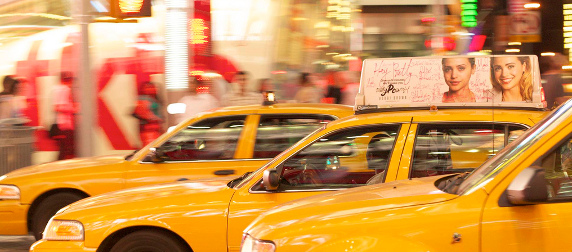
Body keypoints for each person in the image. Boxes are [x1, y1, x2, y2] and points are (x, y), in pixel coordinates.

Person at [52, 72, 78, 160]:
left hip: (61, 124)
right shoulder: (64, 89)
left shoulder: (56, 89)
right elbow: (58, 107)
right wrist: (73, 108)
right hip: (66, 124)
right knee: (68, 149)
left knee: (64, 149)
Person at [133, 81, 163, 146]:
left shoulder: (155, 99)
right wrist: (153, 118)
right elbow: (139, 114)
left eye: (152, 87)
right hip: (148, 129)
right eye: (148, 88)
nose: (151, 89)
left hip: (156, 128)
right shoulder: (142, 99)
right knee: (150, 147)